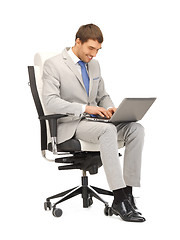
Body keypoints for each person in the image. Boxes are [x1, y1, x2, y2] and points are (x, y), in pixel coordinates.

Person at [42, 23, 146, 222]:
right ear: (78, 42)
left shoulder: (94, 65)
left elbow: (102, 95)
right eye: (91, 48)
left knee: (136, 129)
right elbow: (50, 101)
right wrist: (84, 108)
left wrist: (111, 108)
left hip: (96, 122)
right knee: (107, 132)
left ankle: (129, 195)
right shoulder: (54, 64)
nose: (94, 54)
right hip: (70, 124)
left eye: (98, 50)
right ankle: (118, 198)